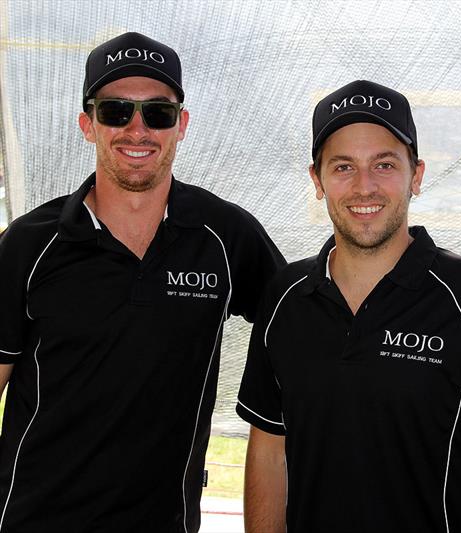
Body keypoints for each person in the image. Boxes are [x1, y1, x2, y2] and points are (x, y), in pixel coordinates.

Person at [0, 32, 285, 532]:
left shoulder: (224, 235)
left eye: (158, 113)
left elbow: (304, 327)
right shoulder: (29, 245)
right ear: (88, 125)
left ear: (182, 125)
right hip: (32, 519)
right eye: (115, 111)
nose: (137, 130)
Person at [236, 79, 461, 532]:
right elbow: (268, 451)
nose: (365, 187)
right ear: (317, 180)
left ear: (416, 175)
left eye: (384, 165)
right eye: (343, 167)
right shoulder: (286, 297)